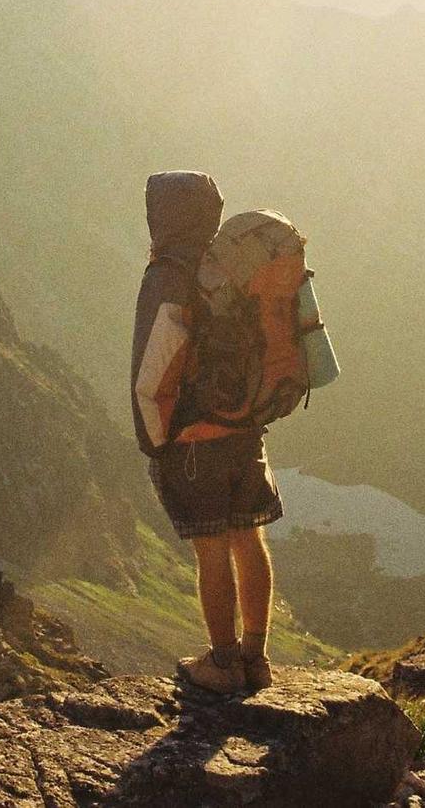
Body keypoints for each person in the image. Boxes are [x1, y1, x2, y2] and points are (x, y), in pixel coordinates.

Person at [130, 170, 283, 693]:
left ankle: (221, 664)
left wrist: (156, 442)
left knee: (212, 550)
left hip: (194, 443)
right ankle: (256, 658)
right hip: (245, 431)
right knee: (249, 537)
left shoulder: (167, 277)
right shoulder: (233, 269)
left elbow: (152, 369)